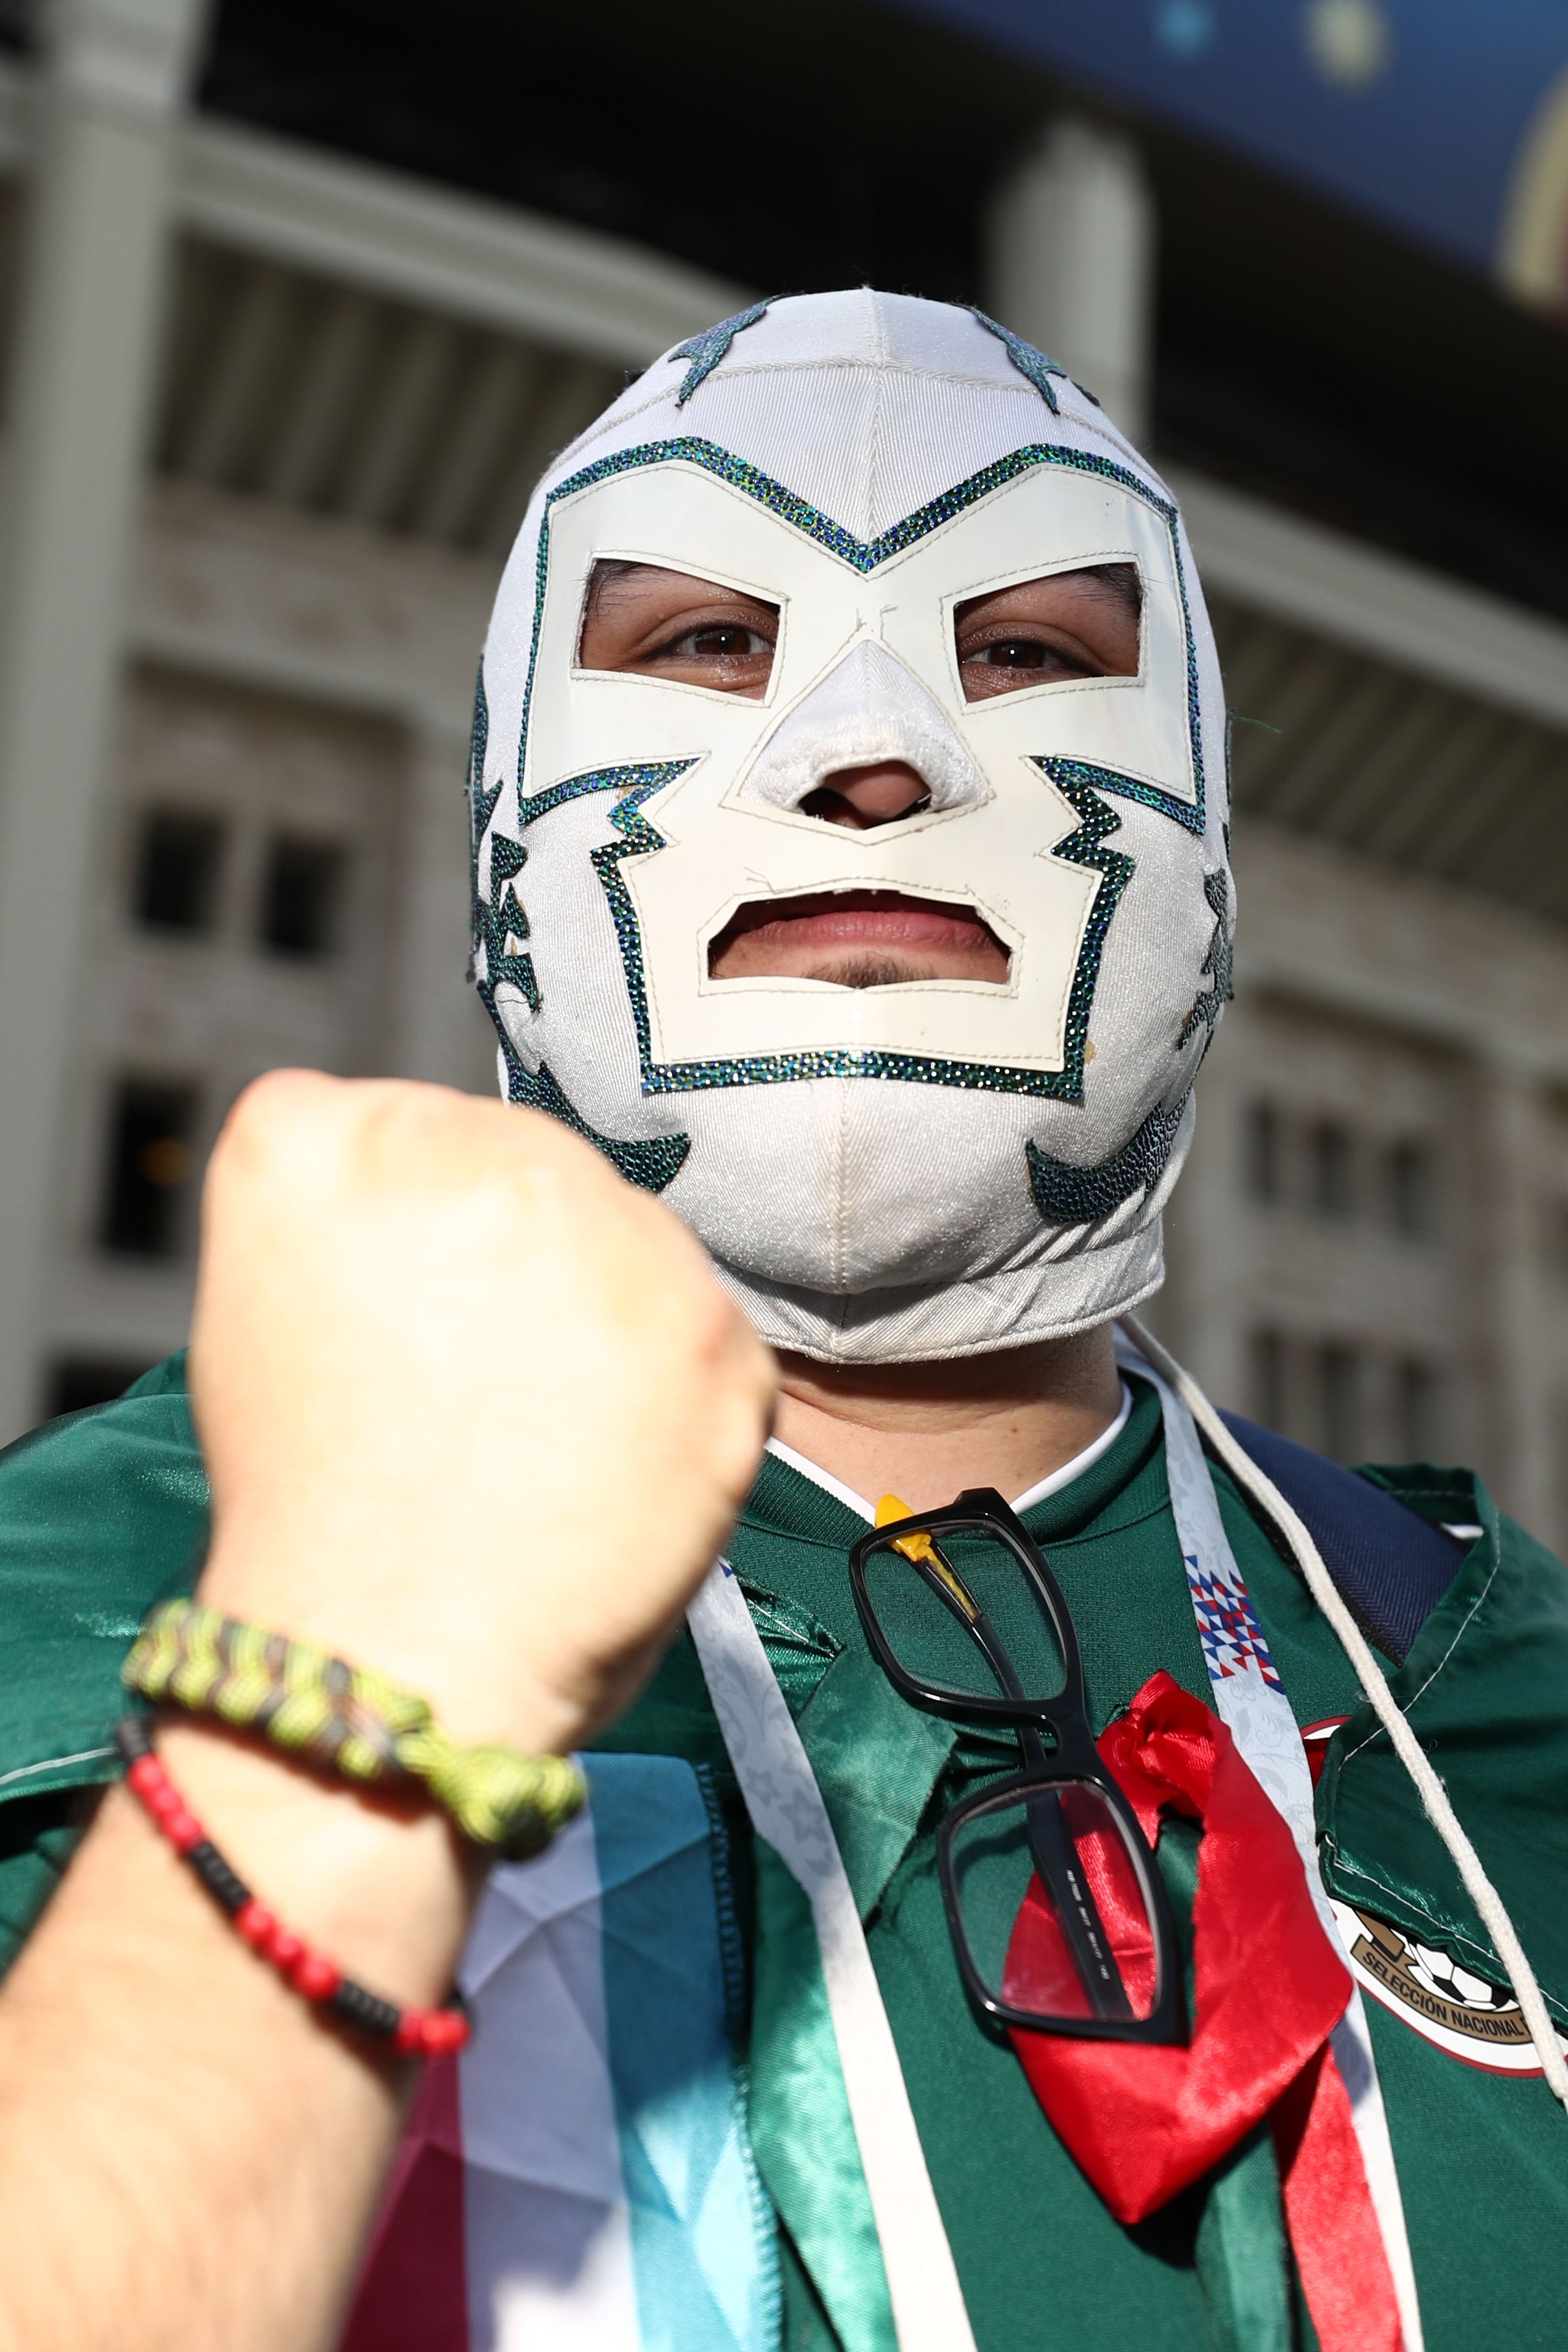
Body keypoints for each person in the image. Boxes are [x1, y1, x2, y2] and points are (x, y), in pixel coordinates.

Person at [0, 291, 1564, 2352]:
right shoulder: (91, 1609)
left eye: (1021, 652)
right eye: (702, 642)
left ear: (1205, 856)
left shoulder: (1483, 1690)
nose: (868, 752)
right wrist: (317, 1713)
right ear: (500, 841)